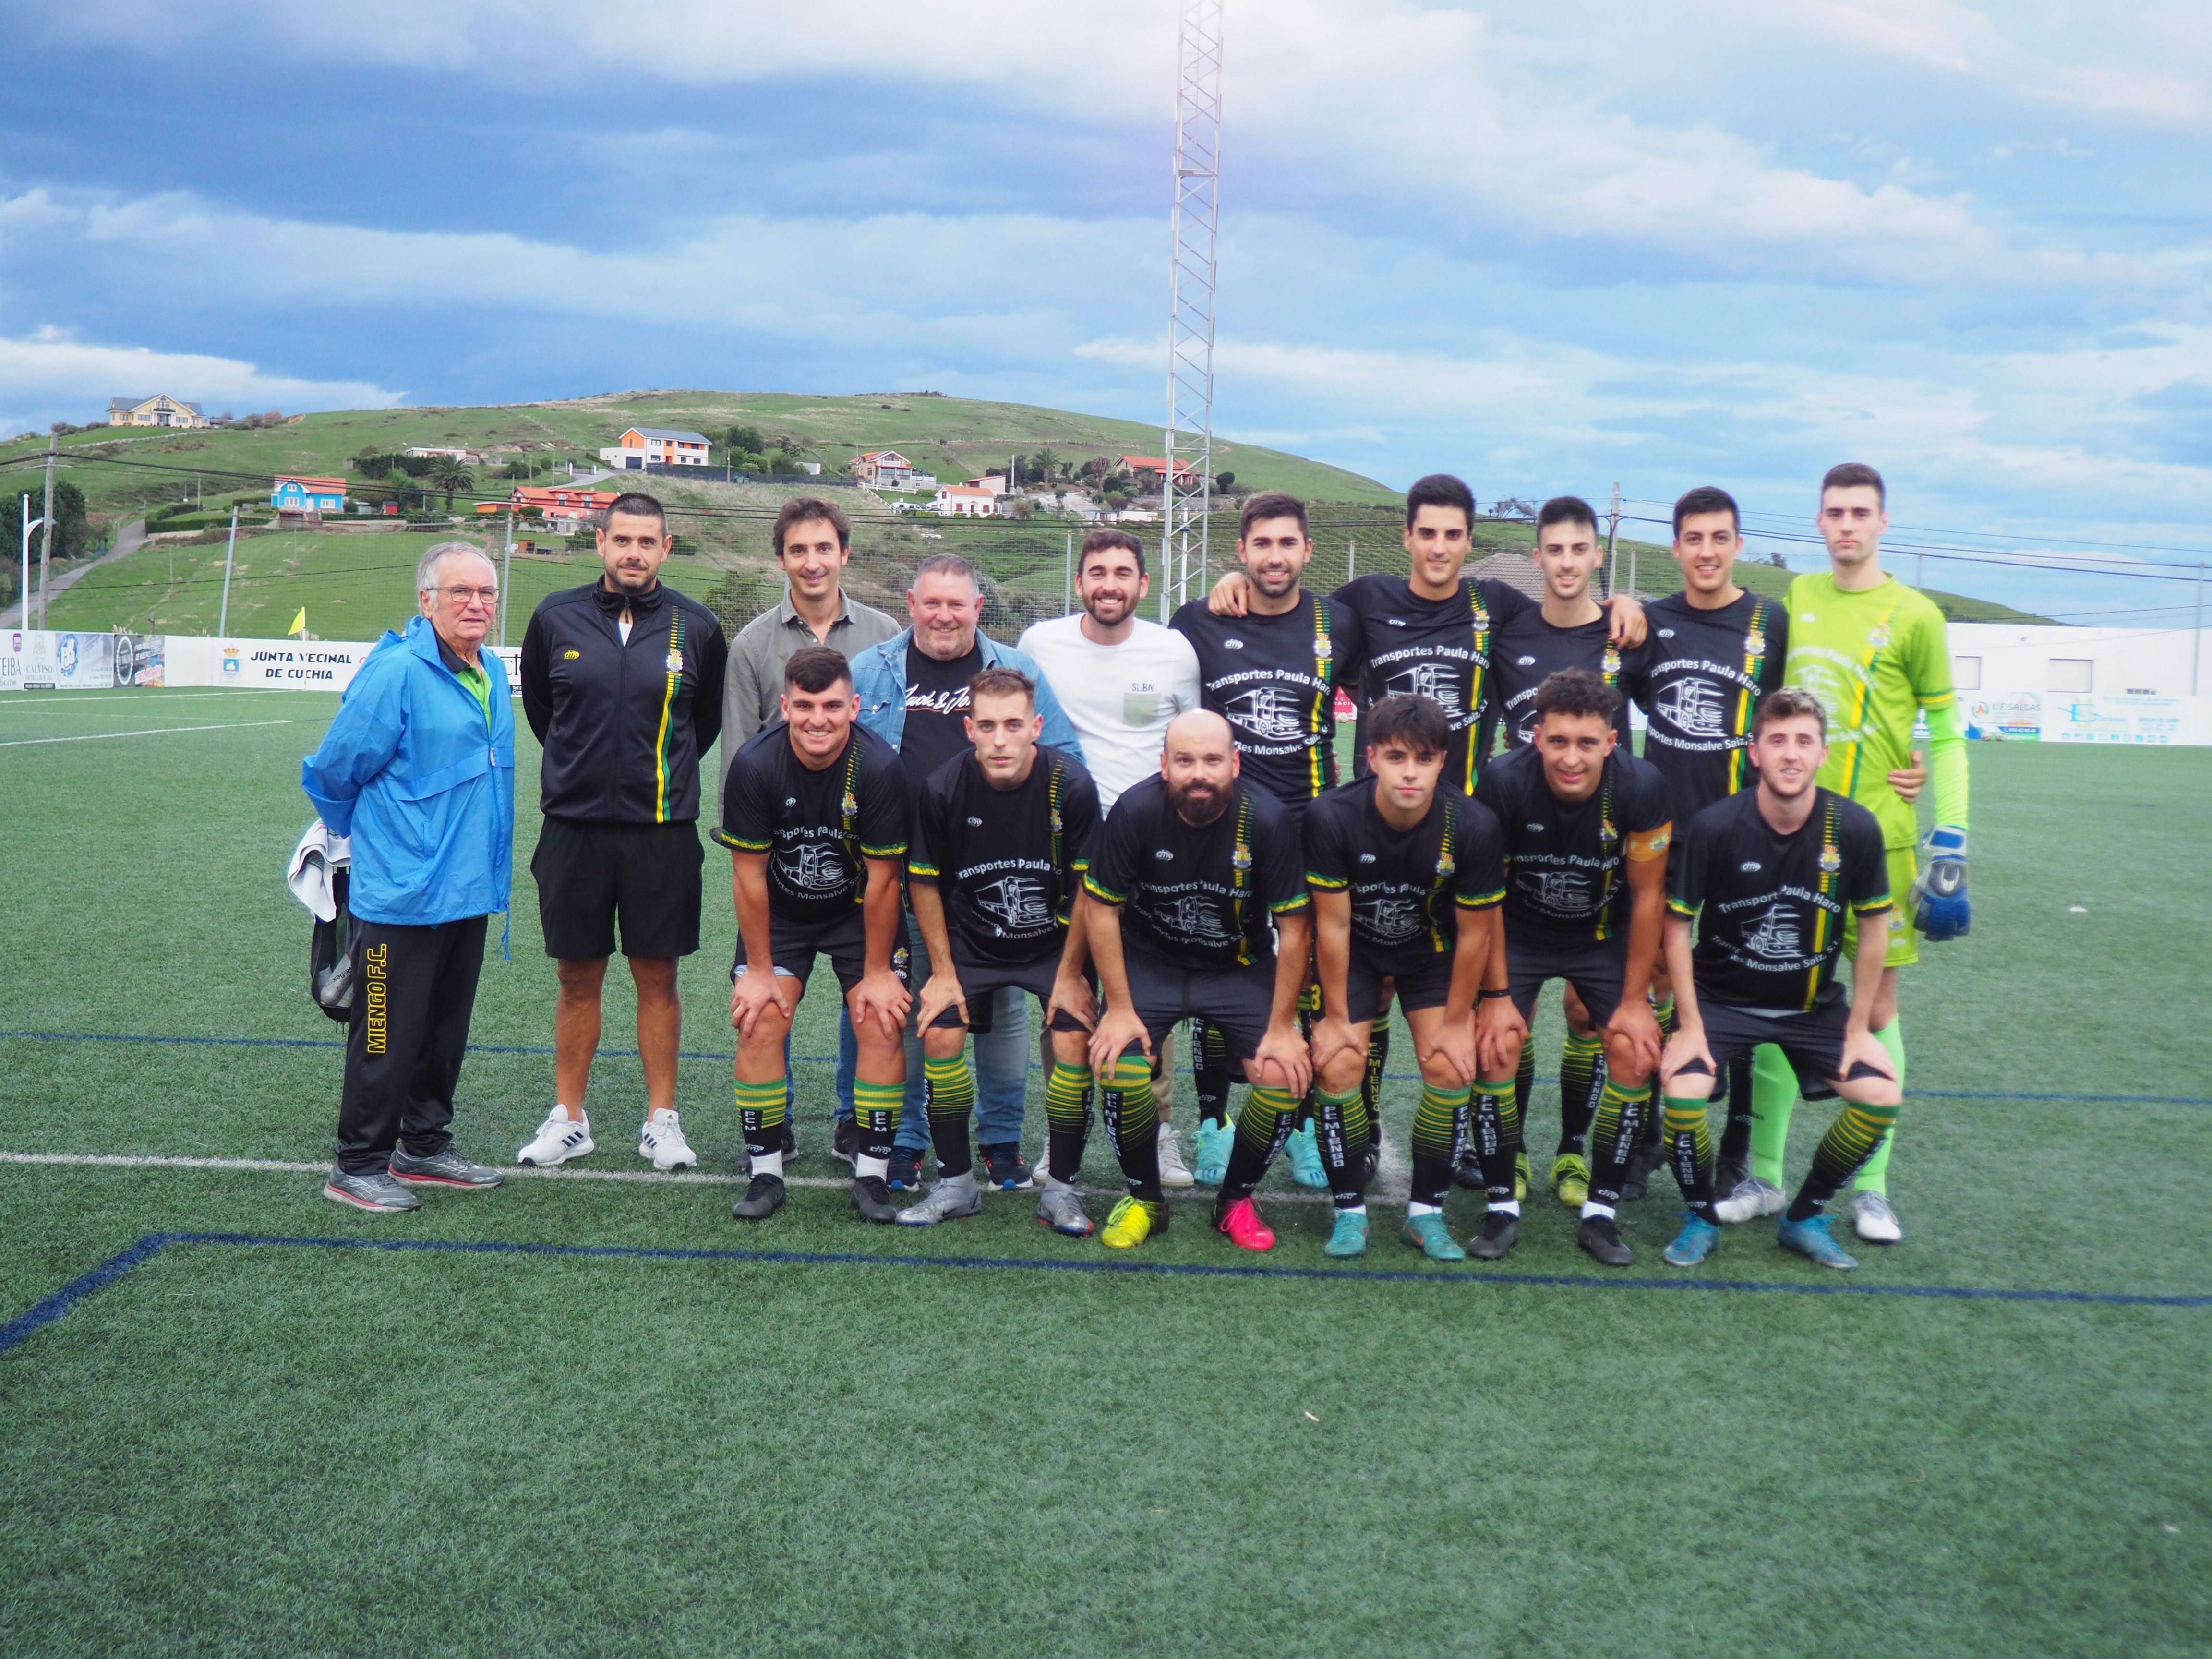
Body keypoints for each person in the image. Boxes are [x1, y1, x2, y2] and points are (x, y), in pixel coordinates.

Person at [1206, 475, 1646, 1193]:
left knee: (1476, 1004)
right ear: (1407, 536)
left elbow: (1568, 614)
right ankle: (1365, 1131)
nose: (1440, 547)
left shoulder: (1495, 605)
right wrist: (1235, 581)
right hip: (1374, 828)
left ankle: (1477, 1141)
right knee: (1369, 992)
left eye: (1453, 535)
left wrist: (1622, 602)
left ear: (1469, 542)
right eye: (1428, 533)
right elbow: (1288, 604)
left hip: (1465, 836)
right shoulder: (1362, 602)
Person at [1724, 463, 1967, 1244]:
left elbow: (1947, 734)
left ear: (1883, 522)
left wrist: (1952, 837)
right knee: (1777, 997)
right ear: (1819, 522)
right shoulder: (1797, 598)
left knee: (1880, 1008)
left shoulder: (1916, 615)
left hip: (1880, 837)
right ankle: (1765, 1179)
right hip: (1791, 839)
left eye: (1861, 512)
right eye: (1834, 513)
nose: (1847, 525)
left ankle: (1871, 1189)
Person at [849, 553, 1084, 1190]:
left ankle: (1001, 1141)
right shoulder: (871, 669)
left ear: (979, 608)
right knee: (911, 1004)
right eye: (932, 603)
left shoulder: (1017, 670)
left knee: (1002, 1009)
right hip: (900, 871)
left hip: (993, 873)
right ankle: (906, 1140)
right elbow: (844, 757)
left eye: (958, 604)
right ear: (911, 604)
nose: (944, 615)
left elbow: (1064, 757)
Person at [515, 492, 728, 1173]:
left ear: (666, 548)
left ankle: (662, 1122)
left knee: (658, 977)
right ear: (601, 542)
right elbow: (545, 714)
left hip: (661, 832)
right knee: (576, 977)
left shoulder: (698, 626)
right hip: (572, 830)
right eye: (622, 539)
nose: (634, 553)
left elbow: (705, 724)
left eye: (647, 542)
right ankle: (569, 1119)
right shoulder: (555, 617)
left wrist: (648, 778)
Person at [1657, 689, 1903, 1271]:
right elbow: (1677, 926)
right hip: (1721, 1002)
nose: (1791, 754)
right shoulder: (1717, 825)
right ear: (1755, 752)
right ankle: (1701, 1217)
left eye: (1803, 741)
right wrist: (1689, 1024)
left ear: (1822, 753)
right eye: (1778, 741)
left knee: (1880, 1097)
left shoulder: (1854, 828)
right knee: (1683, 1093)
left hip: (1811, 1007)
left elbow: (1874, 930)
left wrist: (1859, 1028)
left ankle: (1804, 1218)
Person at [302, 542, 515, 1212]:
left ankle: (423, 1145)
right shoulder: (396, 671)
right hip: (400, 894)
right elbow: (334, 771)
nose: (476, 604)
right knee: (385, 1034)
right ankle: (358, 1163)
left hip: (466, 889)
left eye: (486, 592)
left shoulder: (489, 669)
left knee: (444, 1032)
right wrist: (384, 845)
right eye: (460, 592)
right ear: (427, 601)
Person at [1169, 491, 1358, 1190]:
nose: (1275, 557)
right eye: (1261, 544)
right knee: (1218, 964)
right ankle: (1213, 1124)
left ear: (1308, 550)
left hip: (1311, 828)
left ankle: (1300, 1125)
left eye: (1287, 543)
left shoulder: (1341, 622)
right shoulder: (1198, 620)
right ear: (1241, 551)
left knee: (1302, 978)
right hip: (1225, 826)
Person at [1080, 710, 1314, 1251]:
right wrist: (1119, 1009)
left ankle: (1235, 1202)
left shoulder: (1268, 819)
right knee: (1119, 1062)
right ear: (1165, 765)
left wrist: (1283, 1026)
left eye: (1212, 760)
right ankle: (1146, 1201)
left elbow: (1295, 927)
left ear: (1235, 763)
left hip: (1237, 967)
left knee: (1283, 1071)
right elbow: (1101, 909)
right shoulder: (1136, 811)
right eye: (1185, 761)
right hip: (1152, 964)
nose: (1199, 773)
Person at [1020, 529, 1206, 1186]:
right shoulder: (1040, 644)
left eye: (1123, 573)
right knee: (1066, 988)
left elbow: (1190, 739)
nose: (1109, 584)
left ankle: (1158, 1134)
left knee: (1148, 993)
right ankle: (1061, 1133)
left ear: (1143, 585)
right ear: (1079, 583)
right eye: (1097, 572)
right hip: (1061, 844)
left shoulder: (1173, 651)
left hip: (1150, 848)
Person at [1619, 485, 1789, 1198]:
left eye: (1720, 538)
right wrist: (1620, 602)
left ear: (1738, 545)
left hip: (1745, 839)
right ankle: (1649, 1135)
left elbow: (1786, 718)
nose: (1707, 551)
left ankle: (1738, 1150)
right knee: (1656, 983)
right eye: (1694, 538)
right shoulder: (1652, 622)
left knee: (1746, 985)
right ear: (1676, 548)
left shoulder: (1770, 621)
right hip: (1665, 840)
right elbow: (1621, 694)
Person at [1473, 495, 1637, 1211]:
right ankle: (1507, 1152)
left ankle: (1574, 1150)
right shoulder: (1506, 627)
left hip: (1600, 855)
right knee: (1508, 1017)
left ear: (1598, 556)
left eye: (1580, 550)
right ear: (1537, 558)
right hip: (1521, 850)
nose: (1567, 563)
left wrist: (1630, 603)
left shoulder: (1629, 633)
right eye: (1555, 551)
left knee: (1584, 1016)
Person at [1473, 670, 1670, 1266]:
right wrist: (1497, 996)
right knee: (1496, 1044)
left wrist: (1634, 1002)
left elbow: (1649, 898)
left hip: (1601, 936)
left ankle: (1601, 1213)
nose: (1571, 758)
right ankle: (1501, 1204)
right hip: (1521, 931)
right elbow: (1486, 895)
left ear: (1611, 742)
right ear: (1536, 737)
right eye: (1558, 741)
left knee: (1635, 1050)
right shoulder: (1503, 780)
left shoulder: (1642, 785)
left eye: (1587, 743)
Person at [899, 667, 1104, 1234]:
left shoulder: (1071, 785)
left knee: (1072, 1036)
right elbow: (923, 882)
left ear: (1036, 727)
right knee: (940, 1031)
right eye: (987, 726)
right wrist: (943, 973)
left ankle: (1061, 1190)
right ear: (969, 729)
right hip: (972, 940)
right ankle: (956, 1185)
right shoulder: (943, 788)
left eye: (1014, 725)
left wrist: (1071, 975)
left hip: (1055, 942)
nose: (1000, 740)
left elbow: (1090, 888)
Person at [1303, 694, 1504, 1260]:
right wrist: (1336, 1019)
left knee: (1450, 1064)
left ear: (1443, 761)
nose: (1410, 772)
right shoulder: (1331, 816)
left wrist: (1458, 1023)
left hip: (1430, 953)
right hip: (1357, 954)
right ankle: (1349, 1213)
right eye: (1396, 757)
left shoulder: (1475, 825)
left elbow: (1475, 935)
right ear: (1370, 758)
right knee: (1340, 1061)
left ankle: (1425, 1214)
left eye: (1423, 758)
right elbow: (1333, 926)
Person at [717, 647, 912, 1224]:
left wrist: (877, 974)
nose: (817, 719)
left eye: (831, 706)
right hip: (781, 912)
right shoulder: (755, 764)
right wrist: (758, 971)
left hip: (858, 911)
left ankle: (872, 1177)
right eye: (804, 706)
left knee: (880, 1019)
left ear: (854, 706)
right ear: (785, 707)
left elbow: (884, 881)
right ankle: (766, 1172)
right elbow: (749, 878)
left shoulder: (879, 768)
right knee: (759, 1018)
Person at [720, 495, 901, 798]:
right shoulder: (751, 646)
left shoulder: (887, 636)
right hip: (780, 815)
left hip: (869, 814)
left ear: (844, 554)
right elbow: (737, 757)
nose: (812, 564)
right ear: (782, 560)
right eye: (798, 551)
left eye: (824, 548)